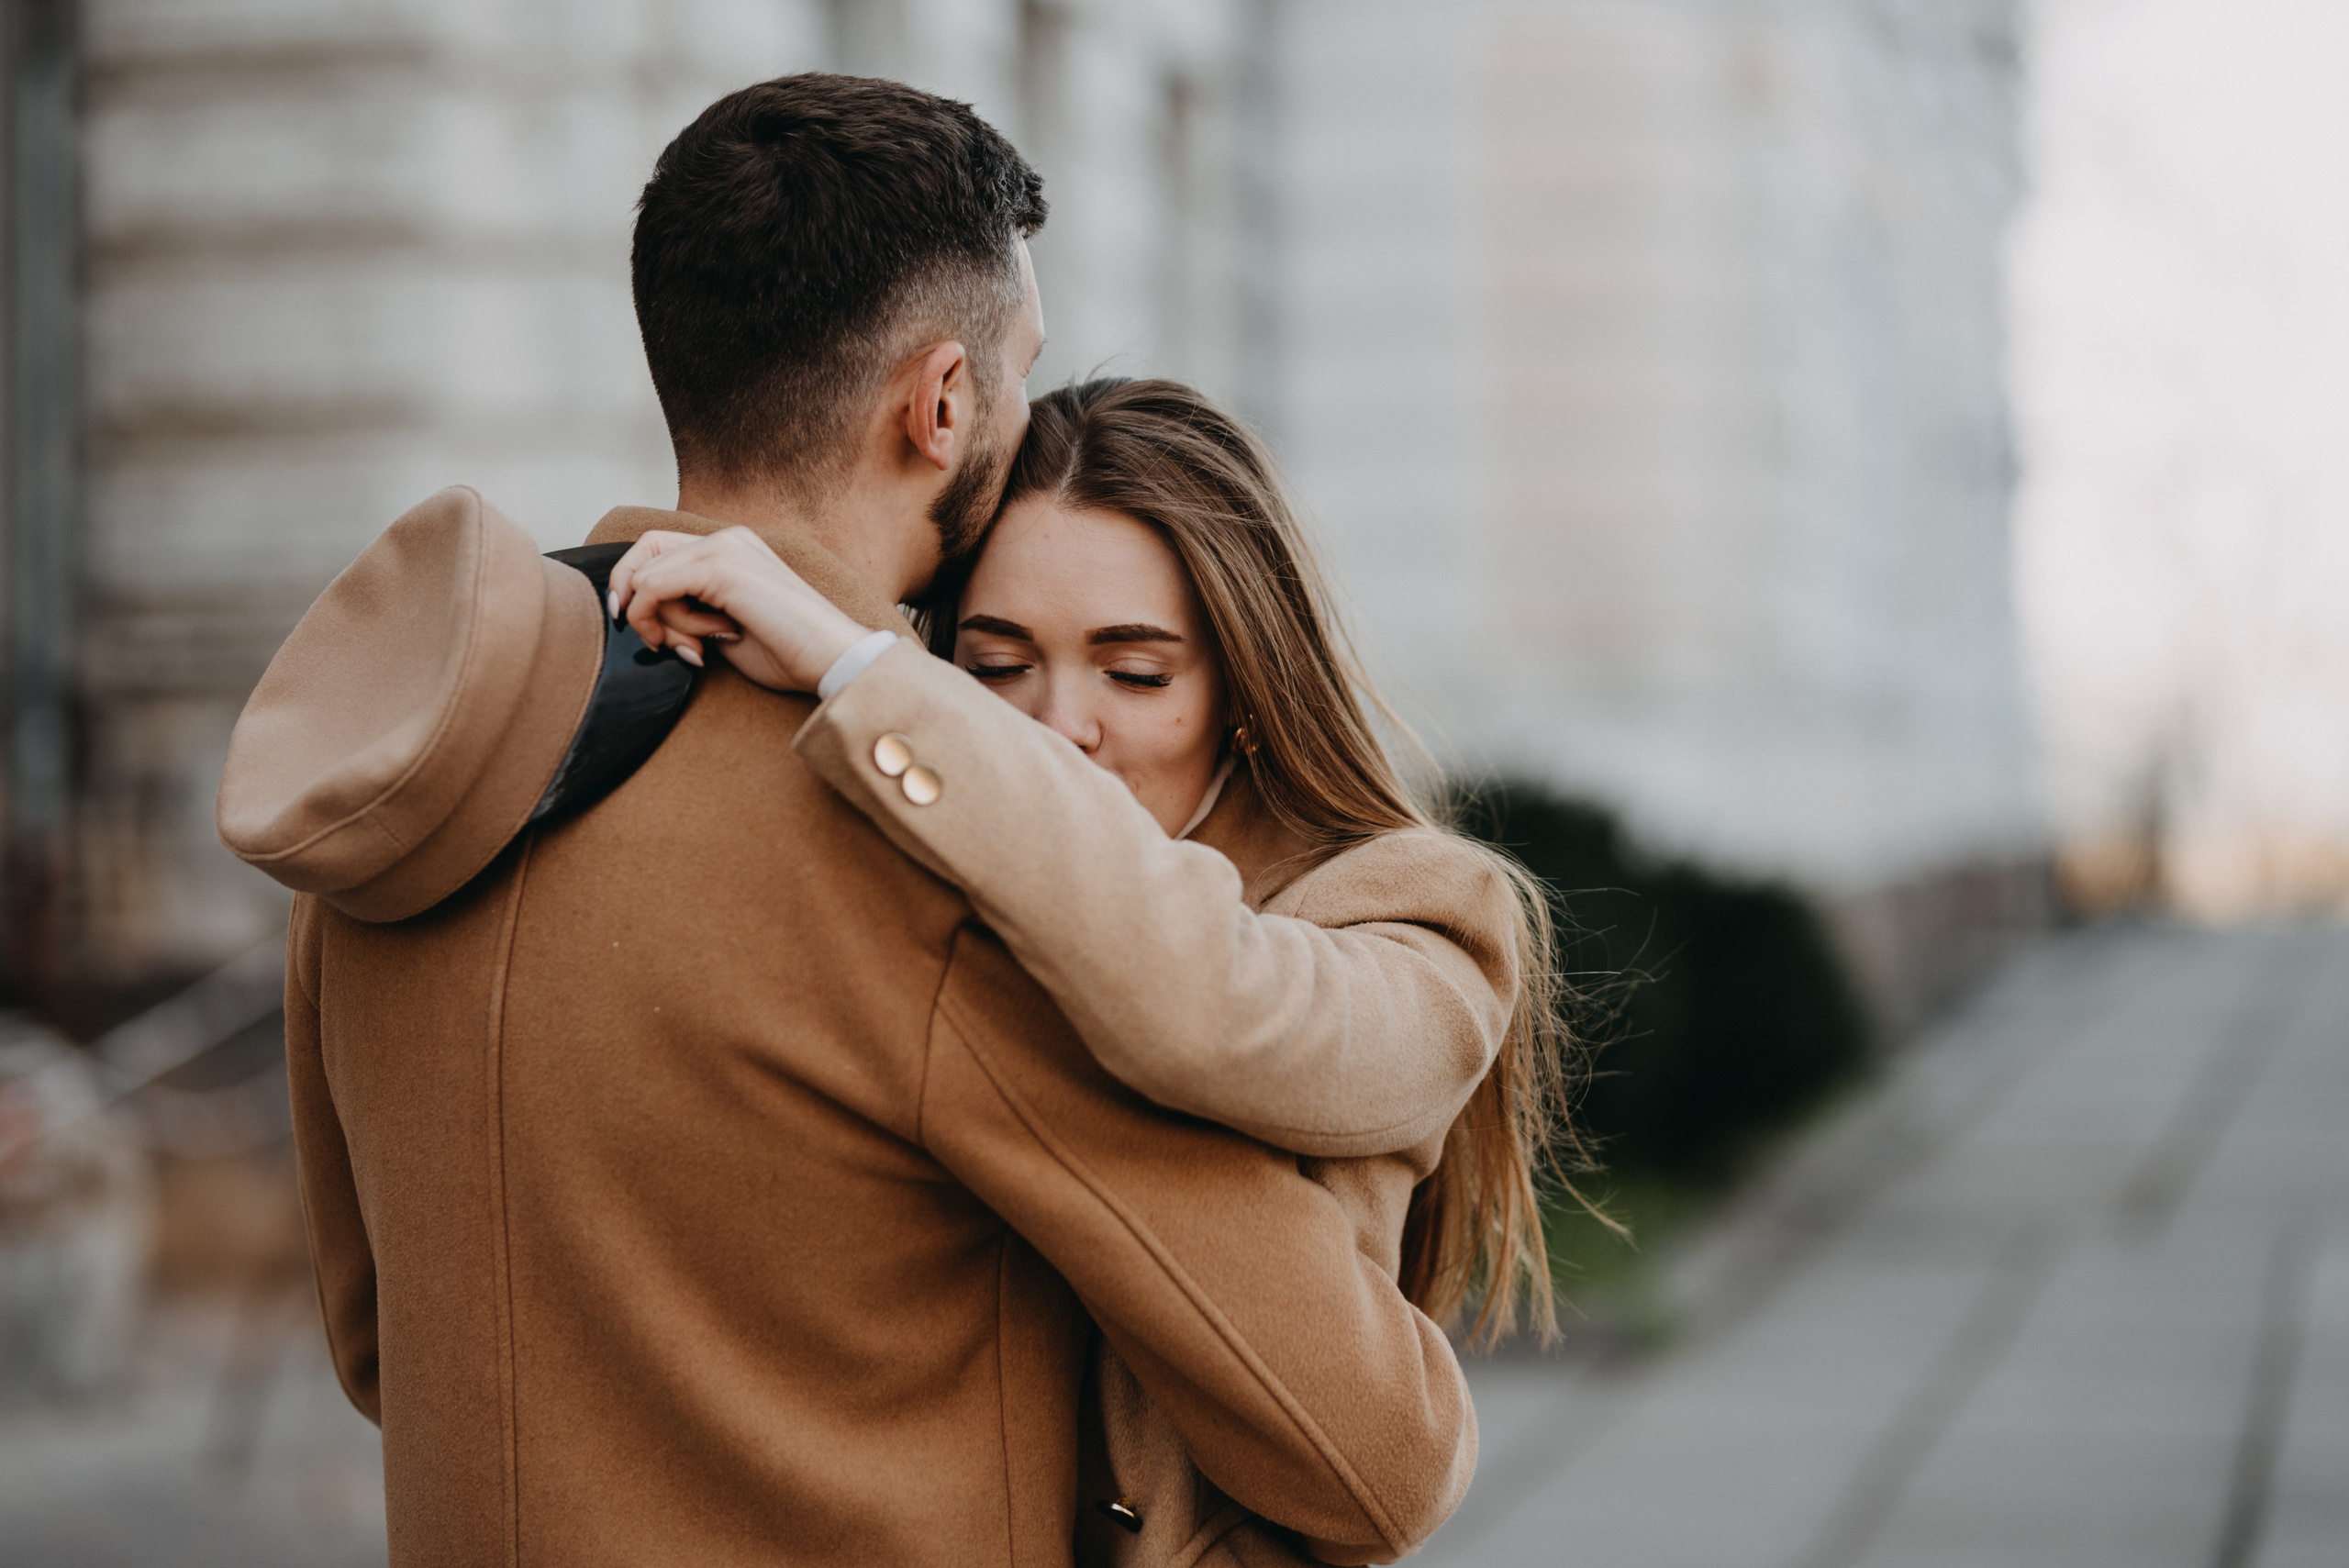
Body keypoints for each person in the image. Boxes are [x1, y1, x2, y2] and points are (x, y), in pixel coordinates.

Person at [215, 77, 1475, 1566]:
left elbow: (378, 1347)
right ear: (943, 403)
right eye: (1021, 372)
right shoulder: (942, 866)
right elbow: (1369, 1455)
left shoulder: (417, 771)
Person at [607, 375, 1578, 1567]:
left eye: (1135, 672)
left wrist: (861, 675)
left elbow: (1210, 1012)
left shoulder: (1421, 914)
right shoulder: (912, 886)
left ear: (1243, 694)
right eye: (998, 665)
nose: (1058, 725)